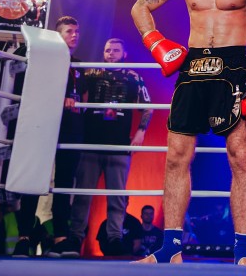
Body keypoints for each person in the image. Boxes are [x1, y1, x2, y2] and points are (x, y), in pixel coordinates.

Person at [131, 0, 246, 265]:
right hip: (193, 68)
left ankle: (242, 252)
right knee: (176, 156)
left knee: (240, 156)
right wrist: (154, 41)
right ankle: (171, 248)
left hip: (234, 66)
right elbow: (140, 6)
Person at [51, 38, 153, 258]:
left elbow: (148, 107)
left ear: (124, 54)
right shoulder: (90, 73)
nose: (111, 53)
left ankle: (115, 238)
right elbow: (75, 95)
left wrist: (141, 131)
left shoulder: (133, 76)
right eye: (107, 50)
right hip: (90, 142)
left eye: (116, 50)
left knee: (116, 197)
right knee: (82, 195)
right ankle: (75, 237)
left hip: (119, 145)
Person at [12, 15, 85, 257]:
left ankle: (61, 237)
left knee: (64, 183)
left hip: (70, 128)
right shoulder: (42, 60)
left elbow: (83, 97)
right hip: (42, 125)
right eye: (69, 31)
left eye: (76, 31)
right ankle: (24, 236)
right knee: (33, 179)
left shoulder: (79, 65)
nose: (74, 35)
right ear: (57, 35)